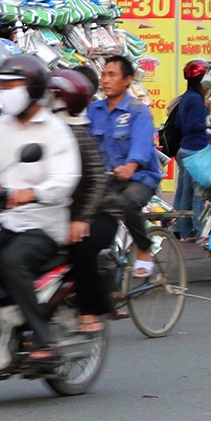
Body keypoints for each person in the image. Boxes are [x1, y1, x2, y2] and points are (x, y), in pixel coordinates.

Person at [0, 56, 87, 360]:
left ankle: (43, 339)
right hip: (3, 219)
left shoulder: (54, 130)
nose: (5, 92)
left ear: (33, 87)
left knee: (11, 261)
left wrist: (33, 193)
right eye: (3, 86)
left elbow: (66, 178)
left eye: (12, 85)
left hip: (43, 223)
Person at [49, 68, 111, 336]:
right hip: (56, 211)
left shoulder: (79, 133)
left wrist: (82, 218)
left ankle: (90, 310)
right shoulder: (42, 130)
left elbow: (96, 179)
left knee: (80, 246)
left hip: (97, 212)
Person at [87, 55, 161, 279]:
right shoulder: (93, 111)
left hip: (140, 178)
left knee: (128, 202)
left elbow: (141, 144)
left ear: (127, 80)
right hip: (107, 179)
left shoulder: (138, 111)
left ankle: (144, 248)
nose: (105, 80)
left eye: (112, 75)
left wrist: (131, 165)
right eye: (103, 75)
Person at [166, 60, 211, 244]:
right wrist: (209, 125)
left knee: (184, 192)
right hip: (196, 151)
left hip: (185, 149)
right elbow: (193, 125)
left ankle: (182, 230)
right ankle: (200, 232)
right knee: (198, 194)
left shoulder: (186, 97)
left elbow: (179, 124)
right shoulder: (196, 100)